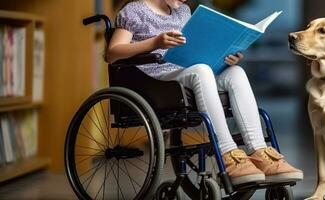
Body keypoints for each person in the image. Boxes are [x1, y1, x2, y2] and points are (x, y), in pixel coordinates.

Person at [107, 0, 303, 185]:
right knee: (201, 70)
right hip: (155, 77)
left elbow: (193, 48)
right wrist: (155, 43)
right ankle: (228, 155)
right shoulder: (133, 11)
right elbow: (112, 53)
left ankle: (260, 151)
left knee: (236, 72)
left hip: (187, 69)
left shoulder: (182, 11)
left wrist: (227, 56)